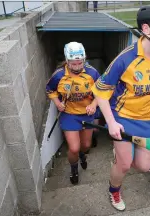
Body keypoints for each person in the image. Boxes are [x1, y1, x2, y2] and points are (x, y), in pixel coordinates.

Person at [91, 4, 150, 211]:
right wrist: (111, 122)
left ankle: (121, 155)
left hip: (149, 118)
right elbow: (100, 91)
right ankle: (114, 189)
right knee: (124, 165)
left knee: (142, 166)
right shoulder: (125, 59)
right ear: (145, 29)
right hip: (123, 118)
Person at [46, 42, 100, 185]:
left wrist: (94, 104)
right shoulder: (58, 75)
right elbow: (50, 90)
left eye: (80, 63)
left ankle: (82, 155)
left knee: (86, 145)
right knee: (74, 148)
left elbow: (102, 92)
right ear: (67, 61)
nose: (77, 67)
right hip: (69, 114)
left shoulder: (92, 73)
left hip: (87, 113)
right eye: (73, 64)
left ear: (84, 59)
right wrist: (58, 103)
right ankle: (74, 169)